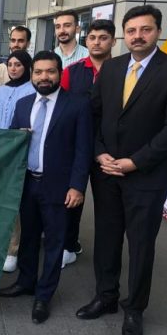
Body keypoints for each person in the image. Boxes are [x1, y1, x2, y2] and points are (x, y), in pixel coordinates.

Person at [77, 5, 167, 335]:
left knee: (142, 244)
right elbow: (94, 114)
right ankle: (106, 296)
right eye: (131, 31)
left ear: (158, 31)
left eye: (145, 30)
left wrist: (135, 162)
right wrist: (99, 152)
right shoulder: (112, 68)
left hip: (147, 176)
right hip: (107, 171)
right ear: (123, 35)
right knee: (106, 237)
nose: (137, 36)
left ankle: (135, 309)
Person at [0, 51, 93, 325]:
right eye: (38, 72)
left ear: (59, 73)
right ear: (32, 75)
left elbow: (83, 149)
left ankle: (44, 295)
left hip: (59, 187)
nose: (44, 77)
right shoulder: (23, 104)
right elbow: (12, 143)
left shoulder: (77, 105)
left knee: (53, 243)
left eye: (50, 71)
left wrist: (77, 186)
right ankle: (25, 282)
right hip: (27, 183)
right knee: (28, 237)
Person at [59, 19, 116, 269]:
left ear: (113, 41)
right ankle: (68, 245)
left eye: (103, 37)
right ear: (86, 40)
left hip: (111, 151)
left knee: (108, 207)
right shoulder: (72, 71)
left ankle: (106, 259)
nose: (96, 42)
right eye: (92, 37)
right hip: (77, 147)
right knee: (72, 199)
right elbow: (62, 106)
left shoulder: (122, 71)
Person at [0, 50, 35, 273]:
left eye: (18, 64)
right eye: (10, 65)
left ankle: (13, 249)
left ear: (27, 67)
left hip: (23, 153)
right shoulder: (0, 91)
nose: (14, 68)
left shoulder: (32, 90)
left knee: (17, 201)